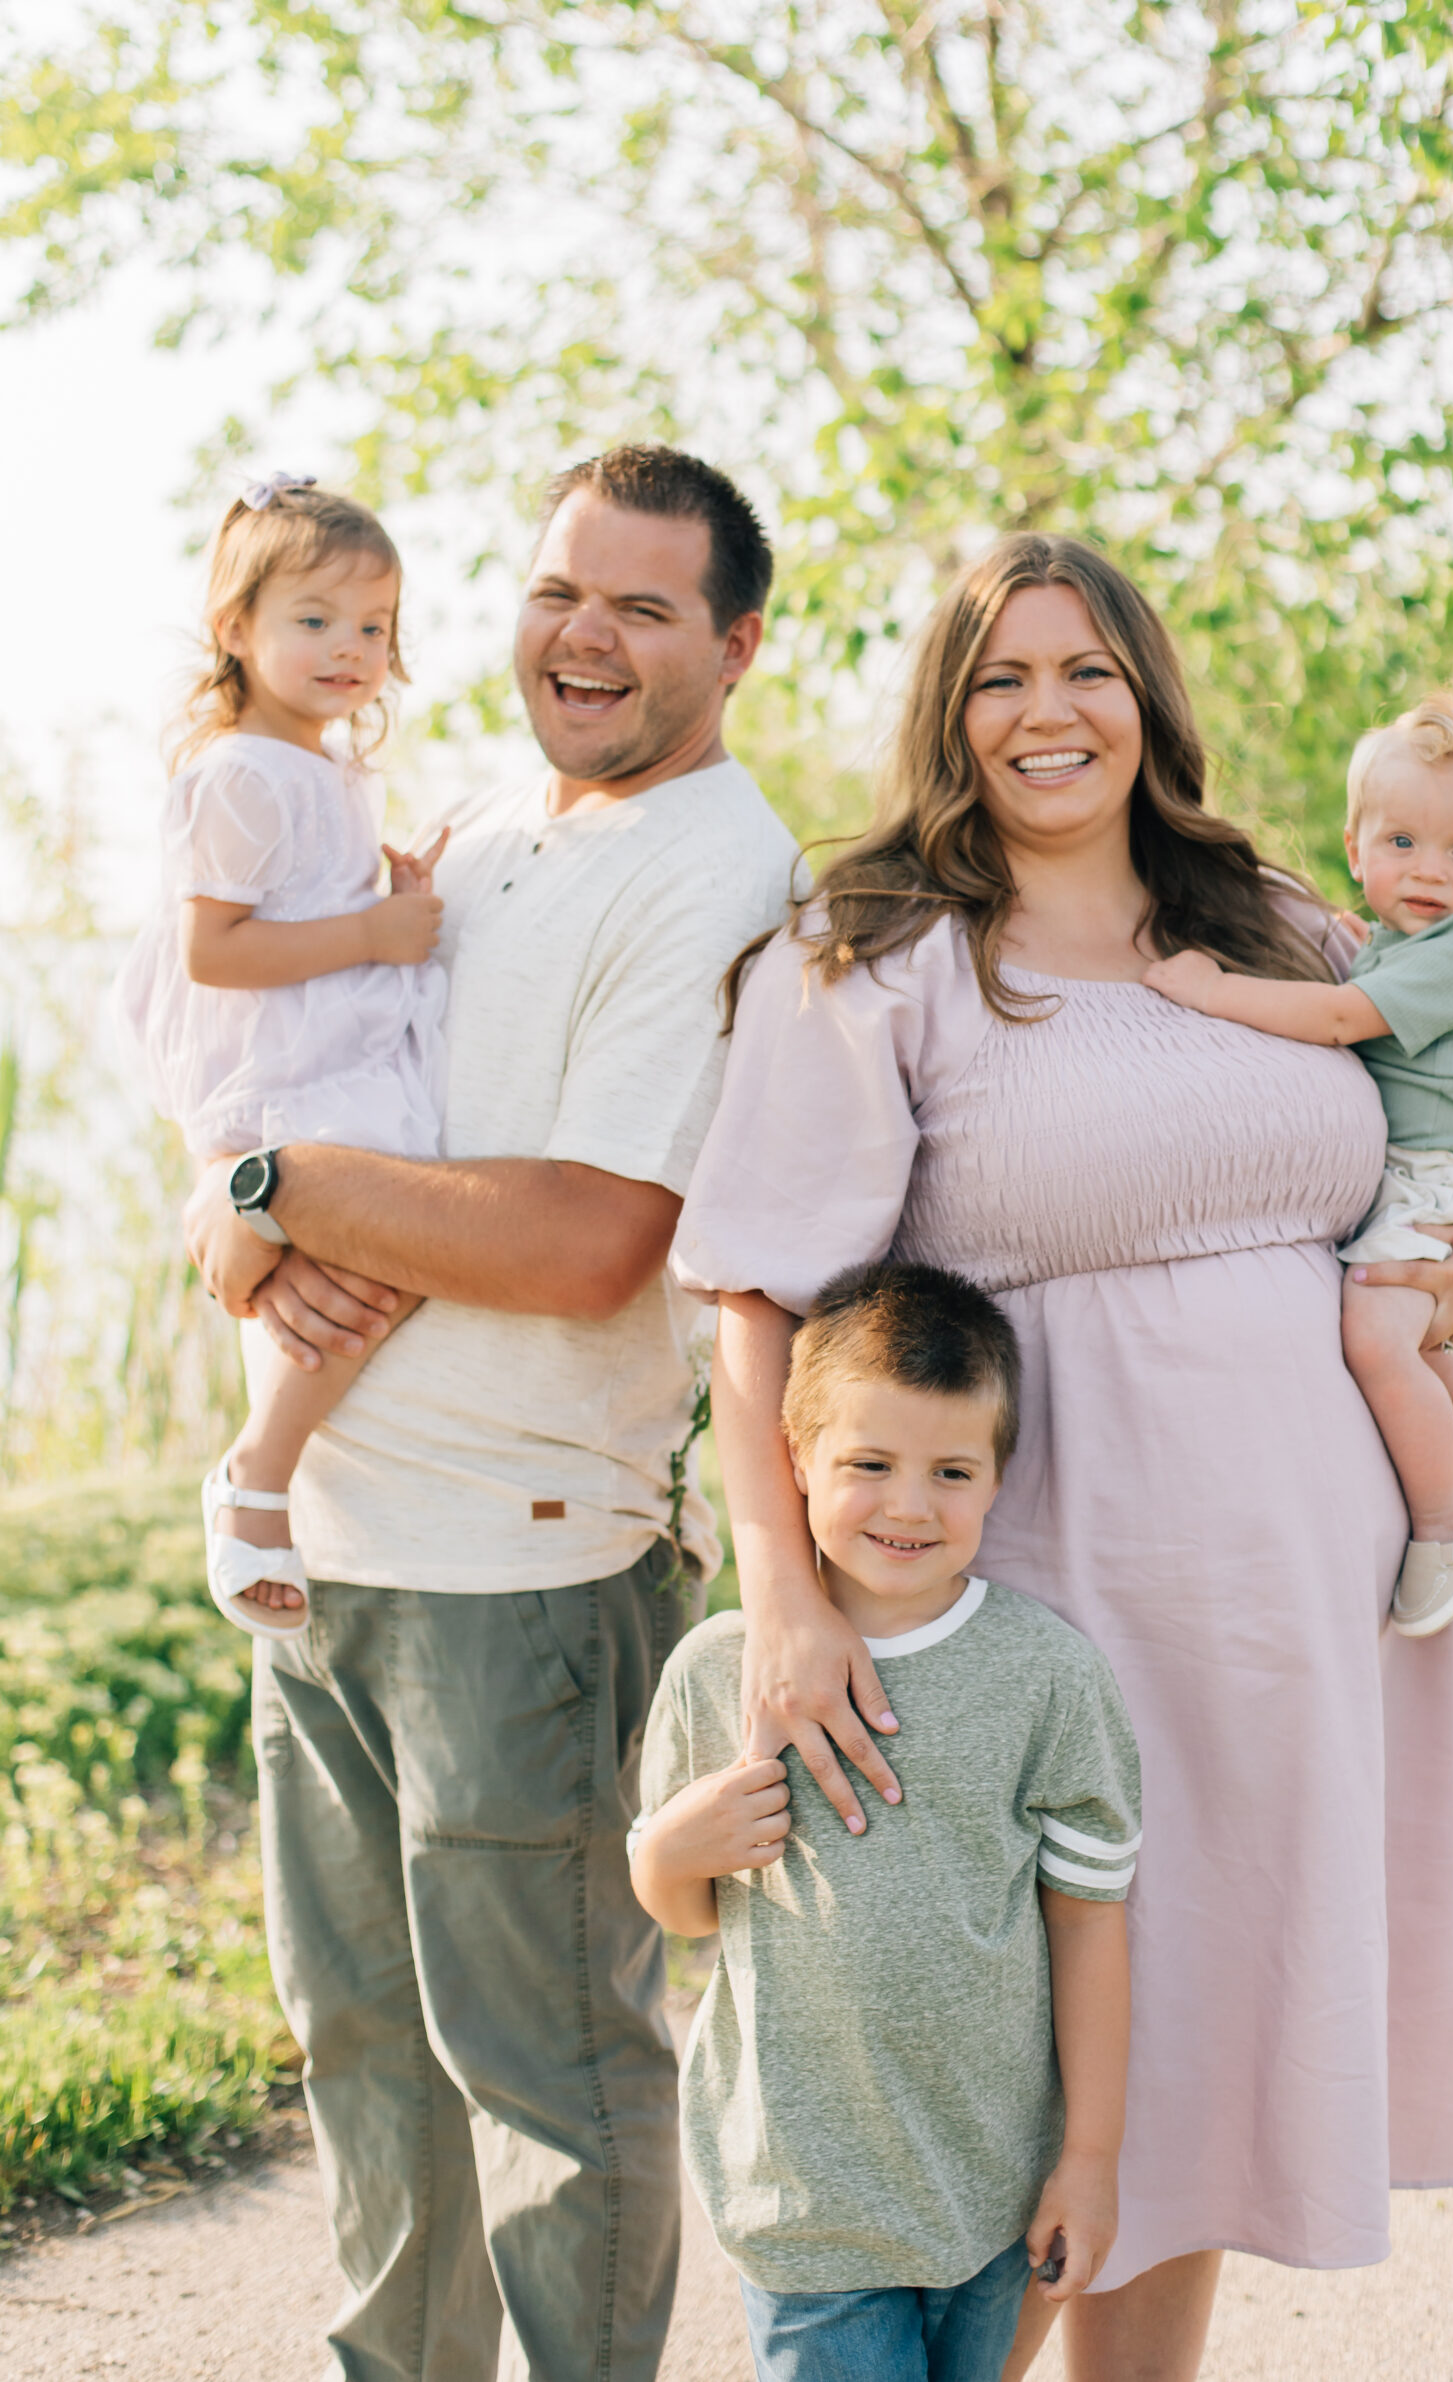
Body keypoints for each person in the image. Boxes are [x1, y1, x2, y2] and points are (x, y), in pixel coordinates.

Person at [671, 532, 1453, 2382]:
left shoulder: (1272, 916)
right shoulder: (875, 953)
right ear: (952, 710)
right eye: (1001, 676)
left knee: (1200, 2064)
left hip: (1298, 1605)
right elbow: (754, 1300)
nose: (1047, 711)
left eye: (1085, 669)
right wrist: (784, 1597)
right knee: (1026, 2067)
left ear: (1146, 696)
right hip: (1053, 1590)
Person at [184, 445, 799, 2382]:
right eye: (556, 592)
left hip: (524, 1579)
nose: (583, 637)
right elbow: (250, 1046)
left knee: (552, 2093)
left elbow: (587, 1238)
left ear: (736, 642)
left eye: (639, 606)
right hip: (326, 1558)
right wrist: (238, 1203)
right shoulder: (467, 826)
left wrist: (275, 1188)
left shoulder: (719, 875)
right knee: (365, 2067)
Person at [630, 1259, 1141, 2382]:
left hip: (991, 2187)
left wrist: (1088, 2159)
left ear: (996, 1479)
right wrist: (673, 1849)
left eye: (949, 1470)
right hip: (806, 2197)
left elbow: (1090, 1922)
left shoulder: (1046, 1679)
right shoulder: (721, 1673)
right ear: (795, 1458)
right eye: (868, 1464)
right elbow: (681, 1915)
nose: (909, 1504)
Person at [115, 472, 451, 1641]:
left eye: (373, 626)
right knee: (387, 1238)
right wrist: (369, 932)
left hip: (328, 1051)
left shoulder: (318, 767)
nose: (350, 649)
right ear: (236, 627)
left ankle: (277, 1472)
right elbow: (213, 949)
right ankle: (256, 1476)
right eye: (314, 621)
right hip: (290, 1071)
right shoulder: (241, 773)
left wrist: (387, 894)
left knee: (387, 1256)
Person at [1145, 682, 1453, 1639]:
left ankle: (1448, 1524)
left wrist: (1210, 989)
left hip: (1444, 1173)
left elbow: (1332, 1022)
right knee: (1385, 1304)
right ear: (1355, 848)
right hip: (1429, 1166)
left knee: (1374, 1329)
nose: (1429, 871)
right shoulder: (1398, 946)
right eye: (1401, 843)